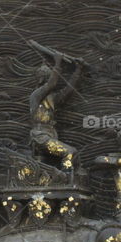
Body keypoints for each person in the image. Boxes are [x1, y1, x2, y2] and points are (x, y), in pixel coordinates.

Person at [28, 40, 84, 173]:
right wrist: (58, 63)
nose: (49, 81)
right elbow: (51, 85)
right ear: (41, 80)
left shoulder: (51, 99)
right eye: (47, 78)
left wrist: (78, 70)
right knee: (70, 152)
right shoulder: (36, 95)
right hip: (40, 136)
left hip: (50, 136)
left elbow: (68, 90)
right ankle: (66, 179)